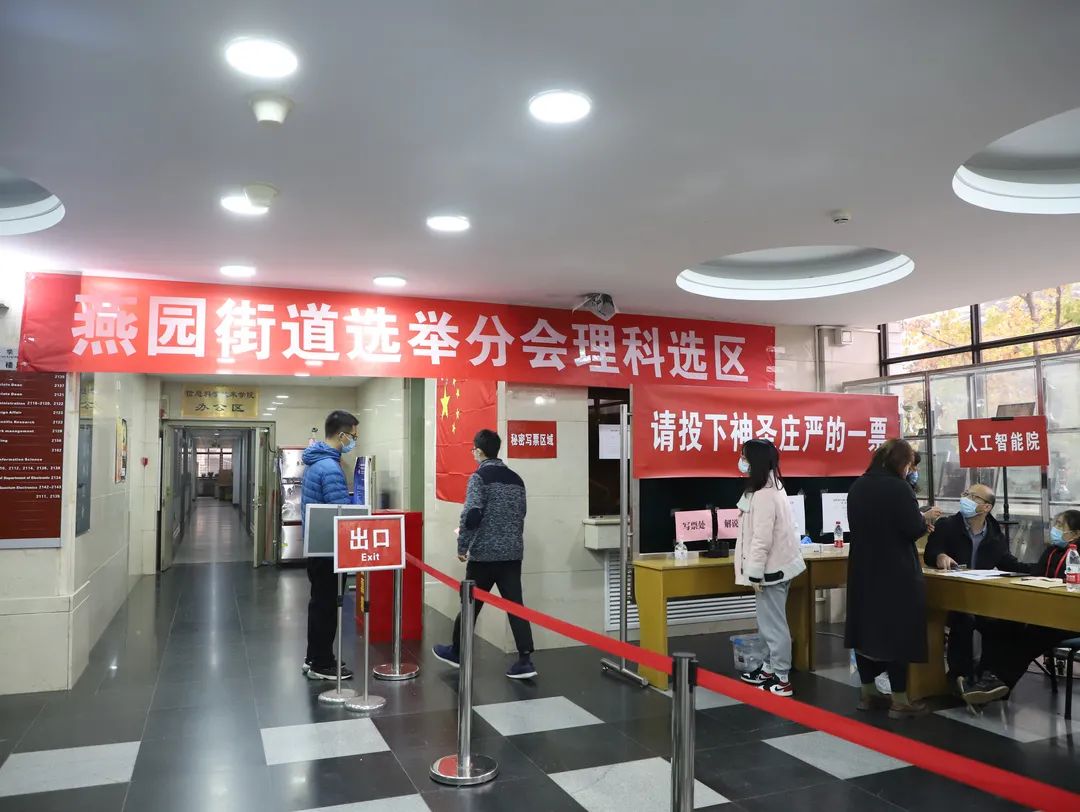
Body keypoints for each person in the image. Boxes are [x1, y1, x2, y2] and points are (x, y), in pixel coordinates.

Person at [433, 429, 537, 679]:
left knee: (470, 604)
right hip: (512, 554)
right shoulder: (516, 479)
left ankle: (457, 651)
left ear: (479, 451)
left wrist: (462, 546)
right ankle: (525, 660)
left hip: (484, 555)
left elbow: (472, 515)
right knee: (515, 605)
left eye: (473, 450)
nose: (473, 453)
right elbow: (521, 513)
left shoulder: (479, 477)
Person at [845, 438, 931, 718]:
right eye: (909, 465)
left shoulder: (858, 486)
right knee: (898, 632)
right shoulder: (899, 488)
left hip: (863, 569)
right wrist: (925, 521)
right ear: (900, 463)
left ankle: (868, 693)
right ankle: (900, 700)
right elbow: (912, 528)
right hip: (895, 572)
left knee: (865, 630)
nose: (910, 471)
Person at [923, 483, 1026, 701]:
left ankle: (987, 677)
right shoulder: (947, 525)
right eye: (965, 494)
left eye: (972, 496)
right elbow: (931, 552)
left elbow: (1007, 561)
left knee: (1003, 621)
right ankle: (959, 677)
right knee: (964, 619)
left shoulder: (994, 532)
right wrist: (940, 556)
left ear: (986, 507)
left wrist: (1040, 570)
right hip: (950, 596)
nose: (965, 498)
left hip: (980, 598)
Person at [967, 510, 1080, 698]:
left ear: (1075, 533)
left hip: (1070, 618)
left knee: (1032, 635)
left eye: (1061, 525)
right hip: (1044, 612)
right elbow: (1036, 575)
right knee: (1000, 624)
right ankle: (984, 678)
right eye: (1055, 523)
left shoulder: (1076, 554)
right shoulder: (1051, 551)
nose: (1055, 529)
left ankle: (999, 684)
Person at [735, 439, 804, 697]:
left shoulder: (765, 494)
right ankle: (769, 668)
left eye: (745, 457)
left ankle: (782, 677)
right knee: (767, 624)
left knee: (774, 627)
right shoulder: (769, 487)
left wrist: (754, 572)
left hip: (770, 571)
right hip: (775, 567)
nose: (742, 461)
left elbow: (761, 539)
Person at [300, 410, 359, 681]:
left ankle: (314, 657)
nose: (354, 441)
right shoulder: (331, 468)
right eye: (353, 436)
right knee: (326, 606)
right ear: (342, 435)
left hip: (316, 546)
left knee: (318, 604)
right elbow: (341, 512)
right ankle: (322, 663)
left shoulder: (315, 462)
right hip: (328, 549)